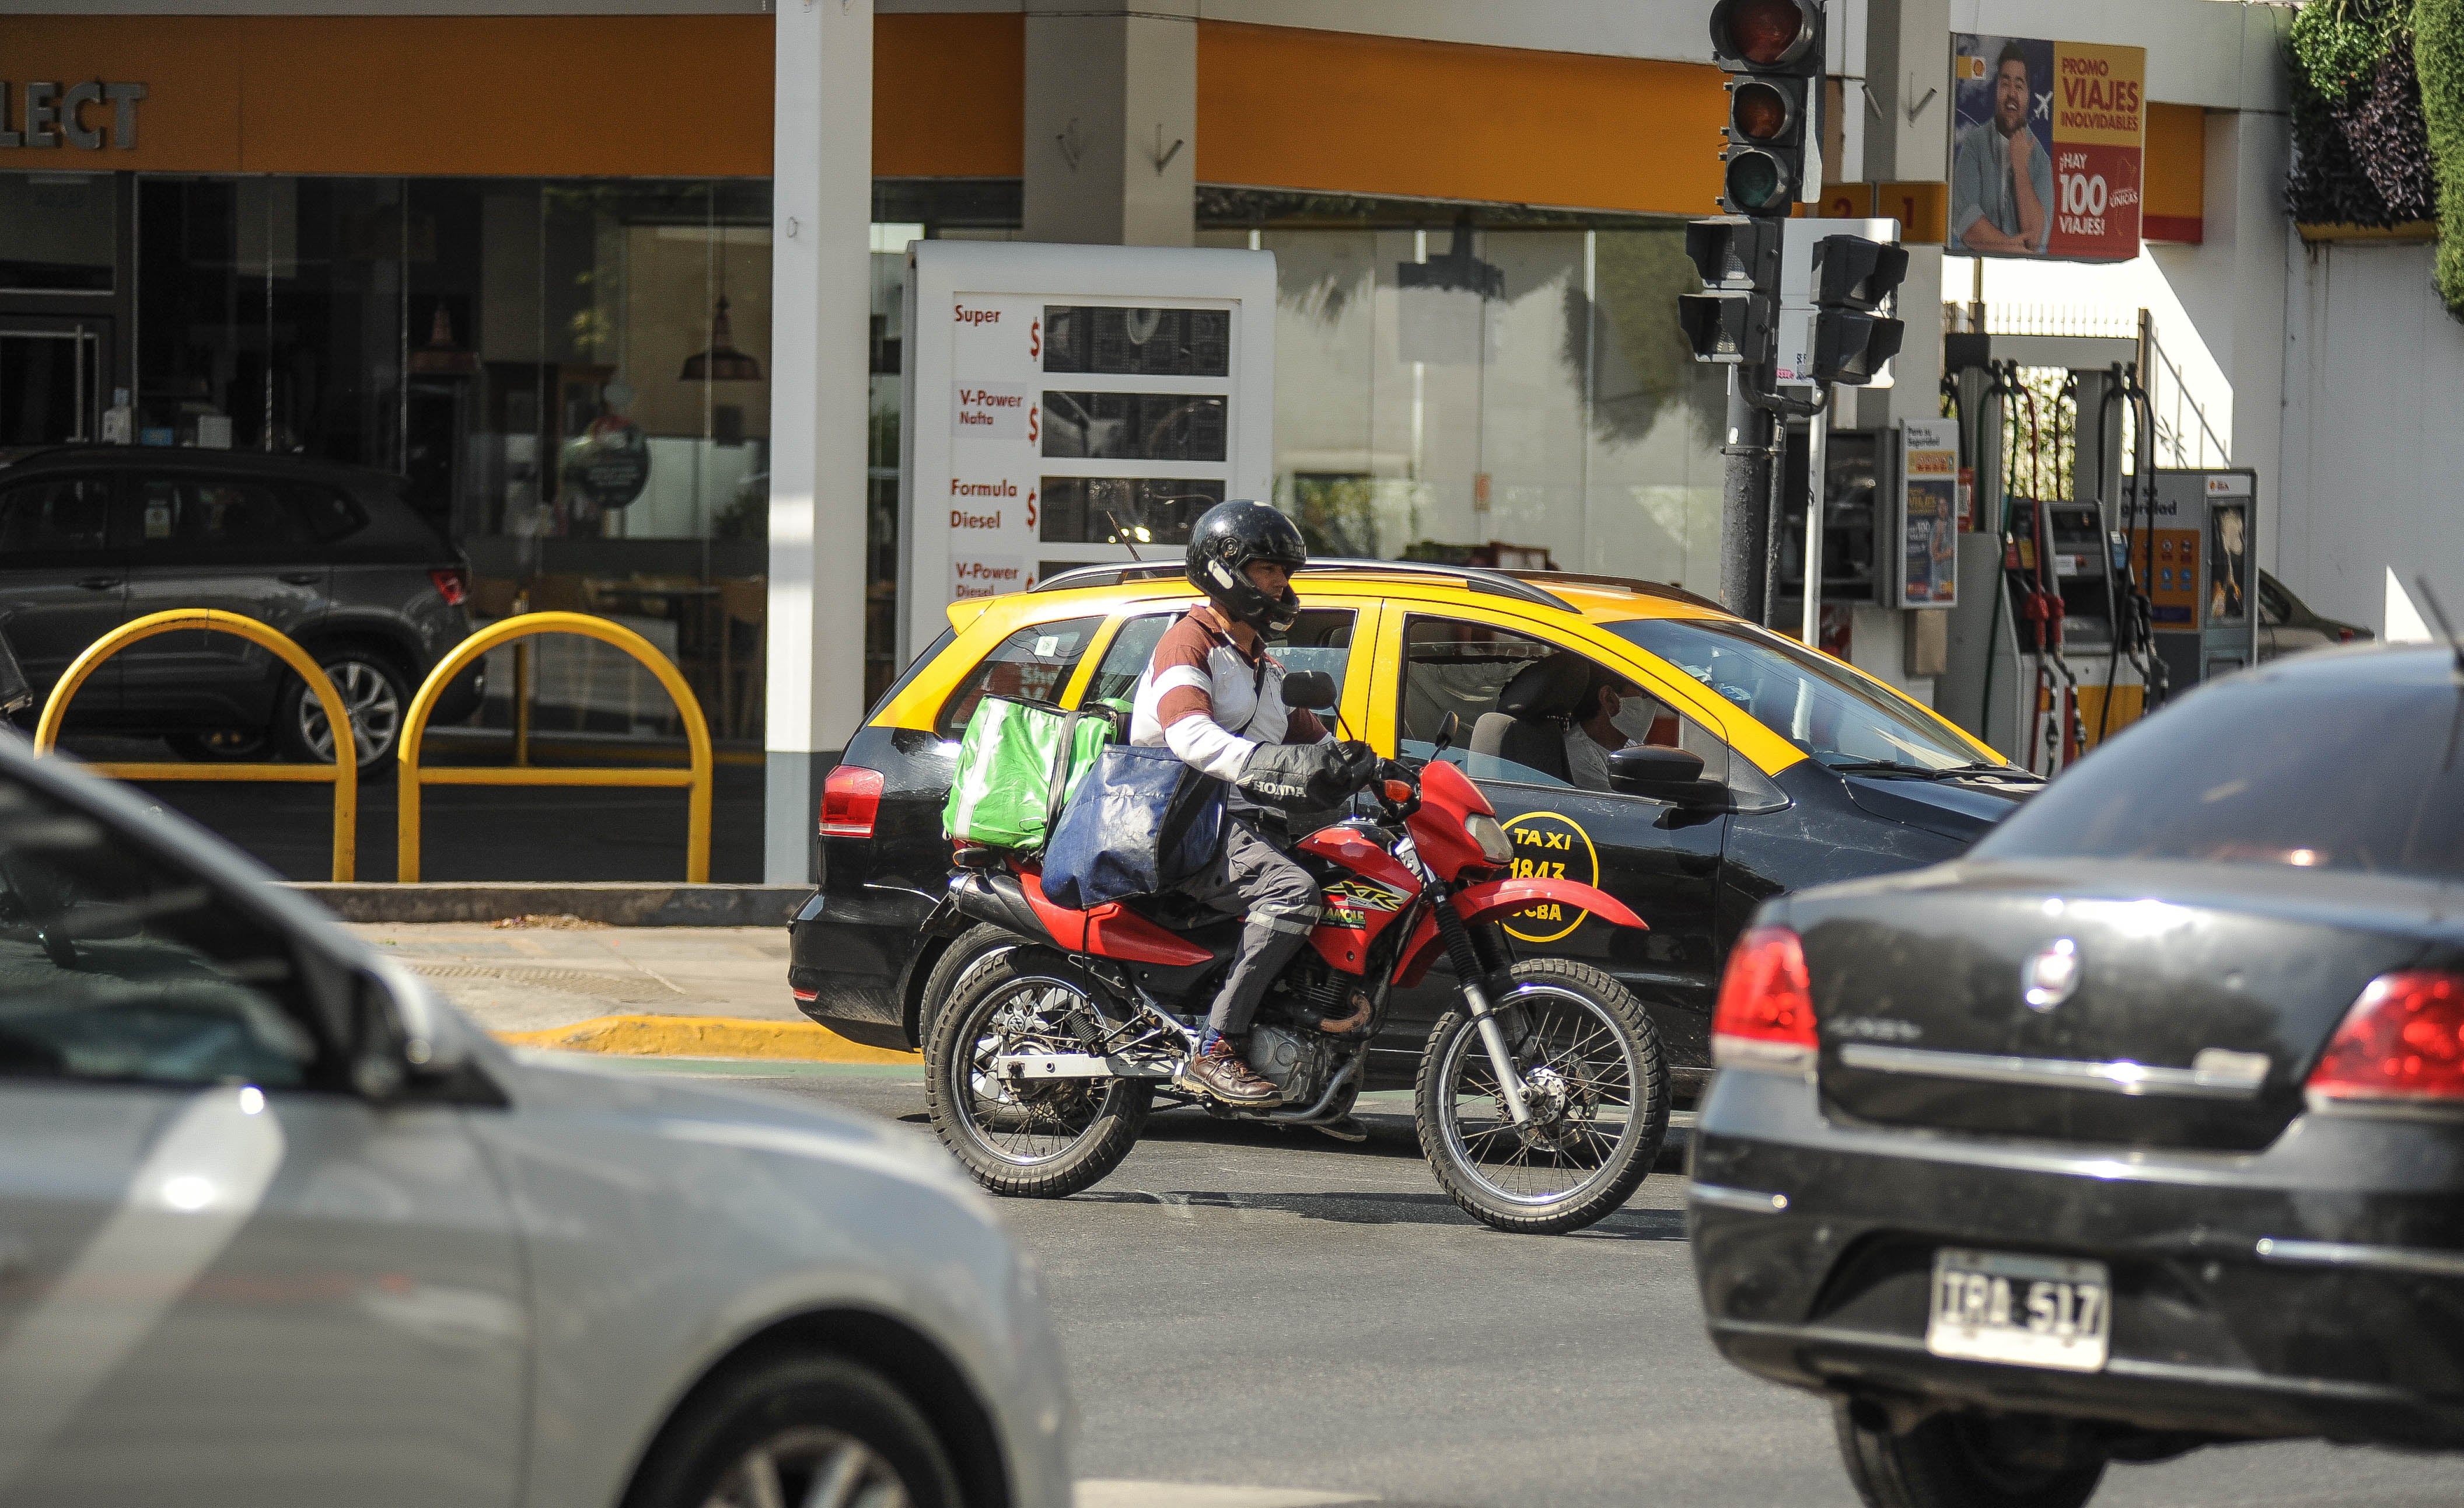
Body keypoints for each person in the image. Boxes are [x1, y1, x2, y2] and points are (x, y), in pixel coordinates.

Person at [1131, 500, 1375, 1107]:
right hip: (1182, 823)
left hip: (1235, 822)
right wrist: (1264, 764)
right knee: (1291, 894)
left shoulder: (1261, 664)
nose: (1279, 585)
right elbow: (1187, 734)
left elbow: (1313, 741)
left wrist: (1379, 774)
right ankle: (1215, 1047)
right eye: (1267, 569)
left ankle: (1311, 1072)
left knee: (1351, 881)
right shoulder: (1187, 643)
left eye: (1285, 573)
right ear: (1222, 570)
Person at [1950, 40, 2051, 256]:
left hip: (2028, 274)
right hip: (1974, 267)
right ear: (1996, 90)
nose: (2012, 93)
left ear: (2028, 95)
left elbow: (2035, 238)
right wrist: (2012, 248)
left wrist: (2021, 167)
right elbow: (1966, 221)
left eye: (2019, 85)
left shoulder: (2042, 162)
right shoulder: (1974, 146)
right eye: (2005, 84)